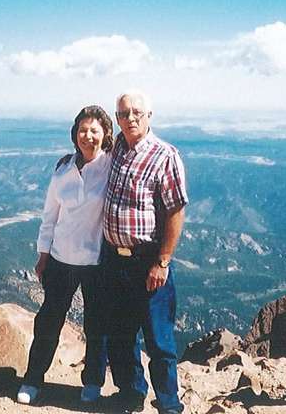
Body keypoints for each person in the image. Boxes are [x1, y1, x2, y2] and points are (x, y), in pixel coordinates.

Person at [17, 105, 115, 406]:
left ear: (106, 134)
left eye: (95, 130)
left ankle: (93, 382)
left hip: (96, 261)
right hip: (61, 259)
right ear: (75, 134)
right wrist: (43, 254)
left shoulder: (112, 166)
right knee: (48, 321)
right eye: (83, 130)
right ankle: (33, 379)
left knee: (96, 324)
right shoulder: (63, 169)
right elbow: (50, 216)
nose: (88, 136)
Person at [103, 89, 188, 414]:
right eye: (124, 113)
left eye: (137, 112)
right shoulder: (117, 148)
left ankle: (169, 404)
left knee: (158, 339)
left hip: (148, 261)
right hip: (114, 260)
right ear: (117, 119)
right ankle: (131, 394)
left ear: (149, 115)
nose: (130, 118)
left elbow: (175, 211)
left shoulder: (165, 155)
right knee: (121, 334)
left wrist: (162, 261)